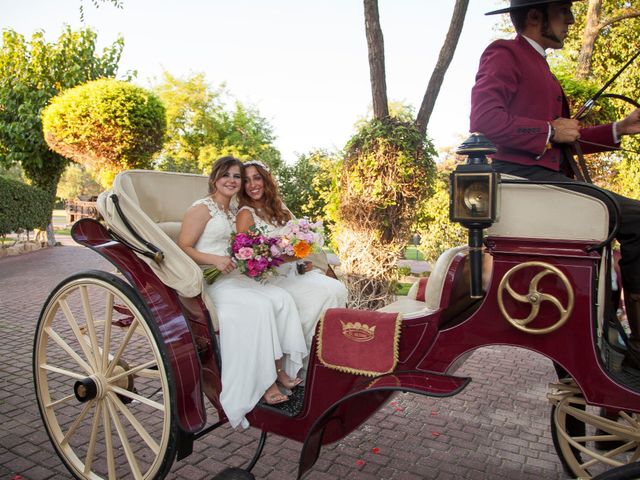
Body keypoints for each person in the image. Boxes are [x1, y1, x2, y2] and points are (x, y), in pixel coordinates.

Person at [471, 0, 640, 371]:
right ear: (535, 16)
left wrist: (619, 129)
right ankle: (638, 350)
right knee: (637, 218)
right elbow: (484, 118)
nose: (571, 20)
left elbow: (565, 140)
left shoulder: (541, 66)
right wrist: (549, 130)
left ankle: (605, 329)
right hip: (521, 181)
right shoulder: (505, 52)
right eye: (563, 11)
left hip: (542, 180)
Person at [177, 156, 308, 428]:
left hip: (237, 276)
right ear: (215, 178)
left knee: (281, 298)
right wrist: (214, 260)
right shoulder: (202, 209)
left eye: (237, 177)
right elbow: (183, 247)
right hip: (212, 280)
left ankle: (281, 369)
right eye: (227, 175)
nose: (232, 181)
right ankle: (266, 381)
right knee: (259, 307)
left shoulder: (235, 209)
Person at [236, 160, 348, 352]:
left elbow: (294, 243)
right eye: (246, 181)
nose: (252, 185)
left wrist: (302, 260)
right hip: (271, 277)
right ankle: (310, 359)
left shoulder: (278, 208)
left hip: (294, 271)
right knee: (325, 295)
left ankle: (334, 351)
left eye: (257, 178)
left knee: (337, 289)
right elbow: (248, 257)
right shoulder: (246, 214)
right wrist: (288, 258)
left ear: (266, 180)